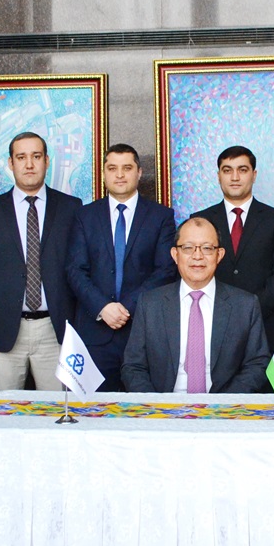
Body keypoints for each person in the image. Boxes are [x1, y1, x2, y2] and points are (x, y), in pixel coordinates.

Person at [0, 132, 82, 396]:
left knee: (60, 413)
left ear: (47, 161)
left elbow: (81, 270)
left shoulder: (71, 208)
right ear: (11, 163)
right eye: (21, 157)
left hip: (56, 332)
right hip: (1, 333)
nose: (29, 164)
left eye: (36, 156)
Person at [66, 144, 177, 390]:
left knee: (144, 407)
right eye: (112, 168)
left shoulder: (161, 217)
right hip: (94, 333)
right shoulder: (85, 216)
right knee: (95, 408)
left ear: (139, 172)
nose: (119, 175)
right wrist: (103, 307)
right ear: (103, 173)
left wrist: (126, 308)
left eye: (127, 168)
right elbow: (75, 270)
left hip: (142, 331)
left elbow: (166, 271)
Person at [121, 217, 271, 393]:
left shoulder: (245, 305)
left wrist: (224, 403)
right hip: (163, 404)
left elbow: (257, 364)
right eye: (188, 248)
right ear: (175, 255)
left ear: (219, 255)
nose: (197, 256)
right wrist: (156, 404)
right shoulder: (150, 304)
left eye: (207, 248)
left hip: (223, 405)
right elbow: (133, 366)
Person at [190, 145, 274, 347]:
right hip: (211, 323)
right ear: (218, 176)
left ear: (254, 175)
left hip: (263, 325)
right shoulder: (200, 220)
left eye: (242, 170)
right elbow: (190, 270)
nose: (235, 177)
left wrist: (252, 309)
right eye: (227, 170)